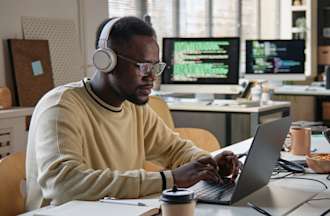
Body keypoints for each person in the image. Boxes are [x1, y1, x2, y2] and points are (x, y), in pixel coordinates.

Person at [25, 16, 239, 210]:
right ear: (106, 61)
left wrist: (207, 164)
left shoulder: (135, 107)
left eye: (156, 67)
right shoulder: (61, 107)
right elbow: (64, 184)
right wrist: (168, 179)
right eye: (144, 67)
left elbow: (175, 149)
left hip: (115, 210)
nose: (152, 78)